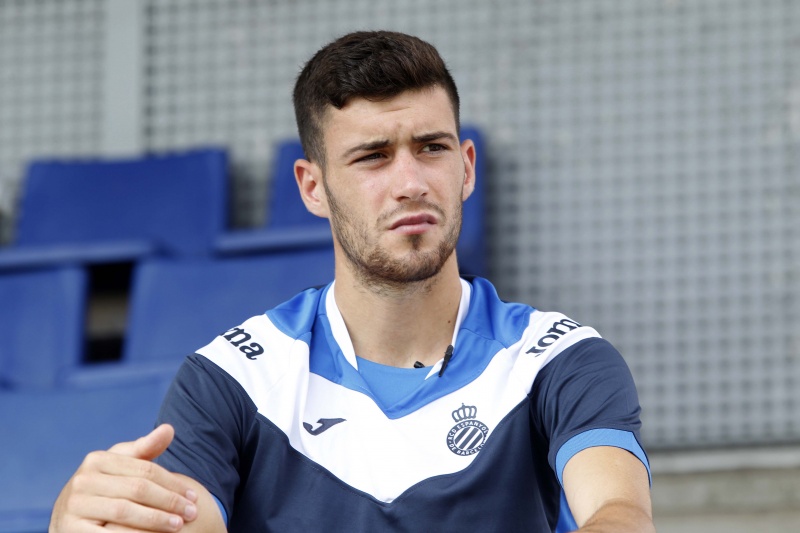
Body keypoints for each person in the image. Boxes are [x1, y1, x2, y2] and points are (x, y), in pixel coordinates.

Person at [50, 30, 654, 532]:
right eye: (373, 156)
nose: (411, 183)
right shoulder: (235, 377)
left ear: (467, 168)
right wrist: (90, 518)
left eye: (432, 148)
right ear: (313, 187)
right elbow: (183, 519)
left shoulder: (557, 358)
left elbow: (619, 512)